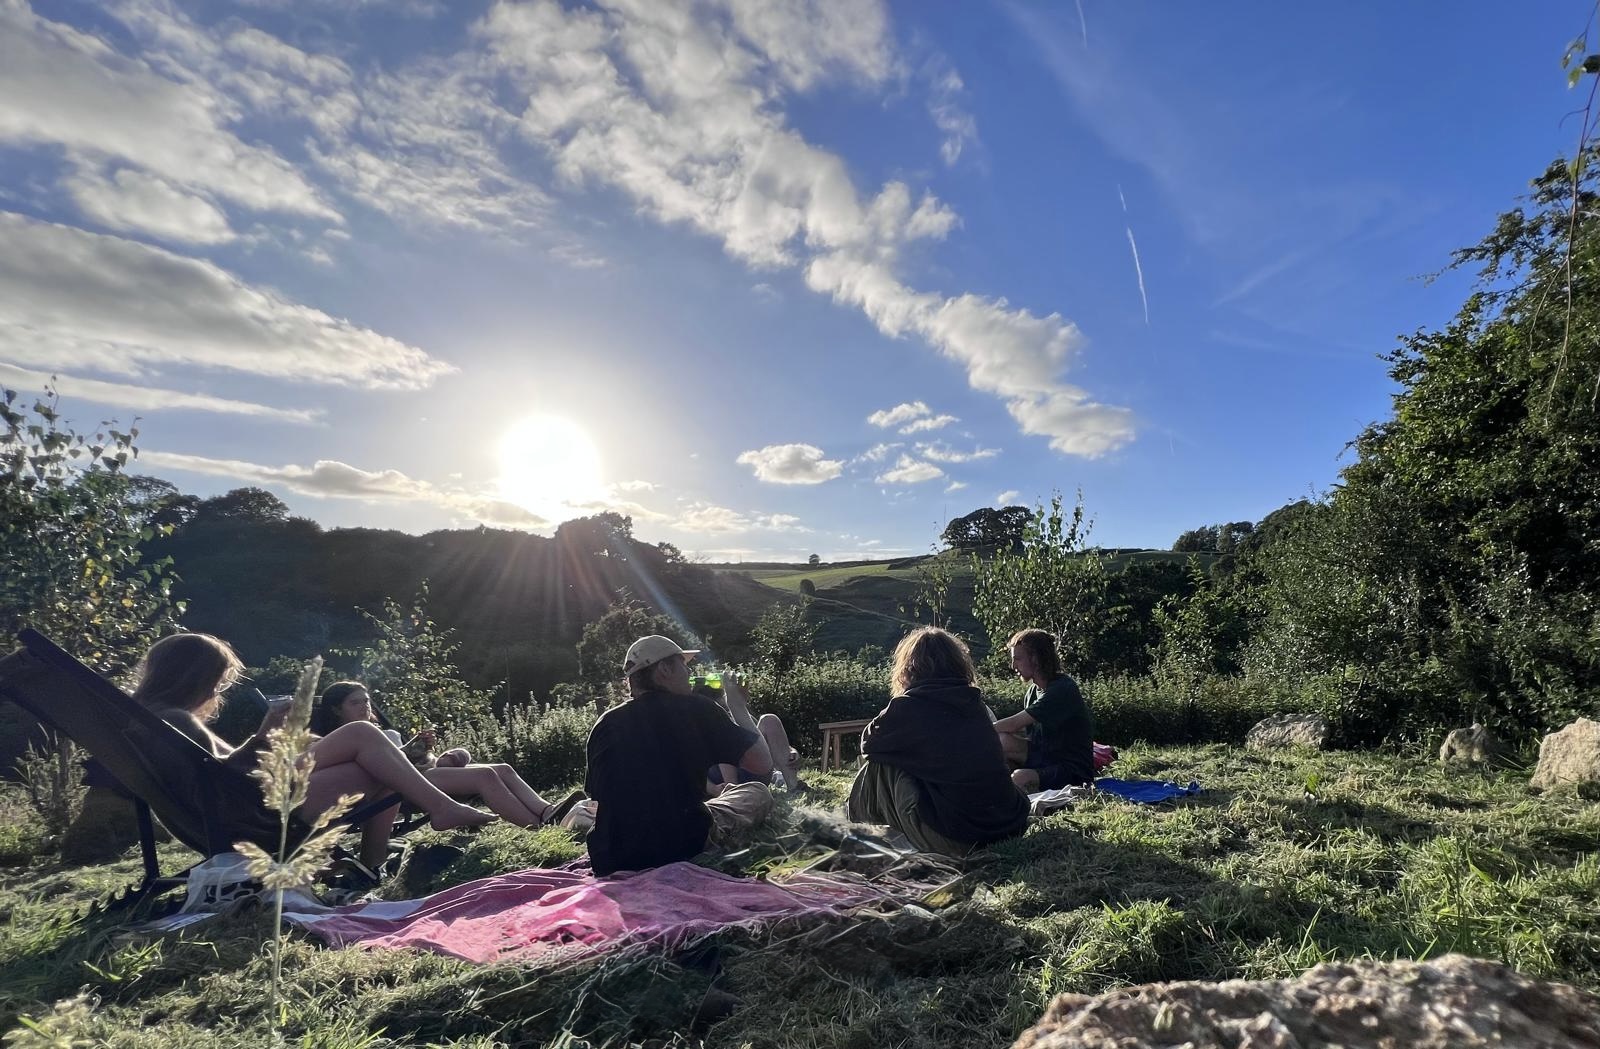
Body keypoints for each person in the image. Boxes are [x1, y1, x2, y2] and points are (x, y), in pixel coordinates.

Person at [133, 633, 493, 868]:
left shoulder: (151, 721)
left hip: (237, 811)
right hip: (247, 816)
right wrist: (262, 736)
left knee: (376, 762)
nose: (218, 691)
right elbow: (225, 778)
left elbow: (219, 773)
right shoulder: (175, 720)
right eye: (220, 679)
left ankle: (369, 866)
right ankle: (442, 808)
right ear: (197, 677)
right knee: (364, 736)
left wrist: (275, 740)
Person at [584, 635, 774, 876]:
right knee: (758, 792)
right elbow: (762, 764)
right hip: (679, 844)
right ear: (664, 669)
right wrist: (737, 706)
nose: (689, 674)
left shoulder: (604, 723)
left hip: (611, 856)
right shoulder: (697, 709)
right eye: (684, 666)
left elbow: (597, 796)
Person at [846, 626, 1028, 857]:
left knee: (879, 764)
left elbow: (868, 744)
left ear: (908, 668)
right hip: (1007, 827)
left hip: (957, 838)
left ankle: (862, 834)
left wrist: (897, 705)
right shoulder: (976, 705)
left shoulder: (908, 706)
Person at [311, 681, 583, 828]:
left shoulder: (377, 731)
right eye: (355, 702)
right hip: (403, 789)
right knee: (485, 775)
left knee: (502, 768)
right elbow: (376, 773)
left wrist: (425, 752)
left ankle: (547, 810)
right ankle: (537, 826)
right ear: (336, 710)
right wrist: (409, 754)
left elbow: (407, 761)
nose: (364, 707)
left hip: (423, 774)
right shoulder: (341, 741)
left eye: (366, 701)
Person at [994, 628, 1094, 793]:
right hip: (1045, 757)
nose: (1013, 666)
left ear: (1036, 659)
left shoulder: (1062, 689)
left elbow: (1013, 724)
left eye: (1017, 659)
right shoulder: (1032, 692)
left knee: (1019, 778)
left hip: (1071, 769)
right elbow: (1023, 734)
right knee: (1001, 741)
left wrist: (977, 729)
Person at [694, 681, 809, 794]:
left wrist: (791, 751)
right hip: (723, 781)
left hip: (755, 770)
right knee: (722, 733)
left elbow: (761, 742)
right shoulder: (692, 729)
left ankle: (794, 786)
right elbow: (685, 768)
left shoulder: (733, 717)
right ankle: (734, 792)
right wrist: (713, 788)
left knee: (769, 720)